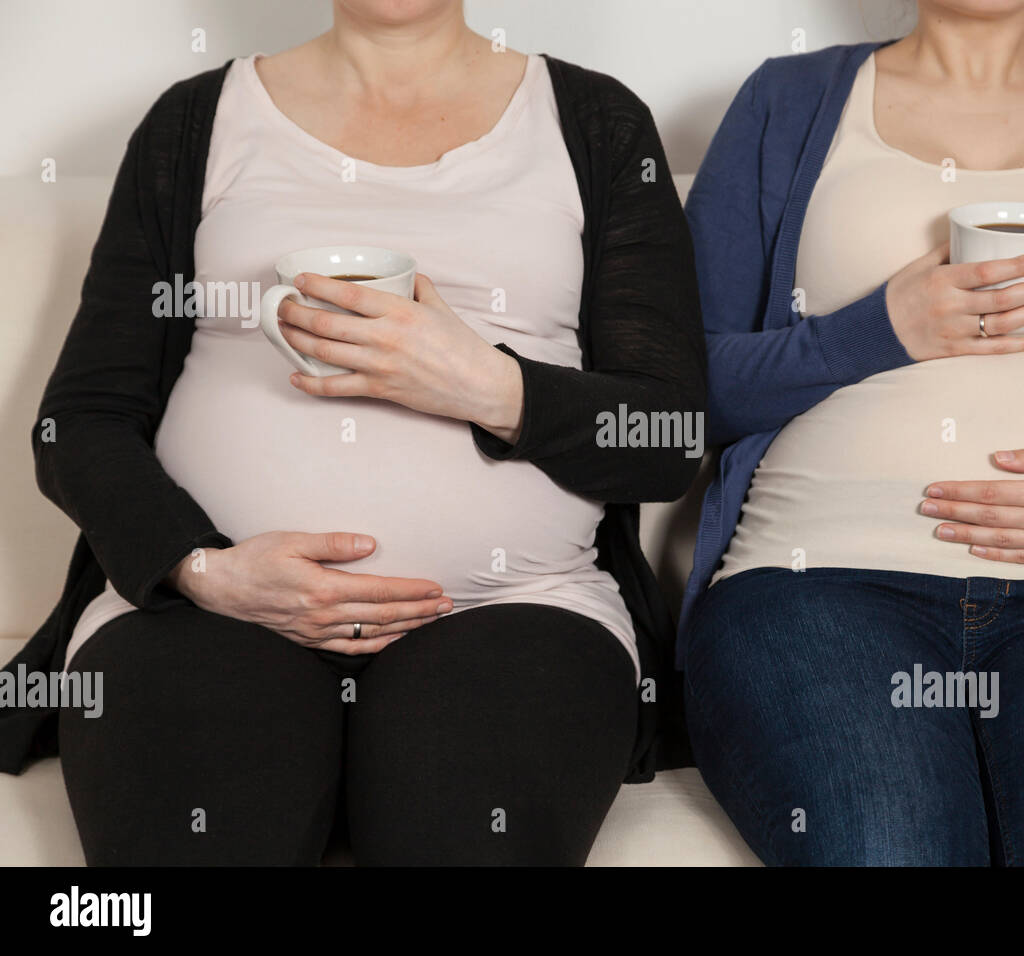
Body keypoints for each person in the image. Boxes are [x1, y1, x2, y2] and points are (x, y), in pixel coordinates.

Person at [3, 0, 704, 865]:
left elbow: (668, 437)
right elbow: (78, 422)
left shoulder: (593, 120)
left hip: (517, 611)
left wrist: (490, 384)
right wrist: (203, 568)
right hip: (204, 613)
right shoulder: (197, 119)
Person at [680, 0, 1024, 865]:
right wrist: (881, 329)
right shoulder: (787, 98)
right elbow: (684, 389)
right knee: (889, 849)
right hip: (815, 583)